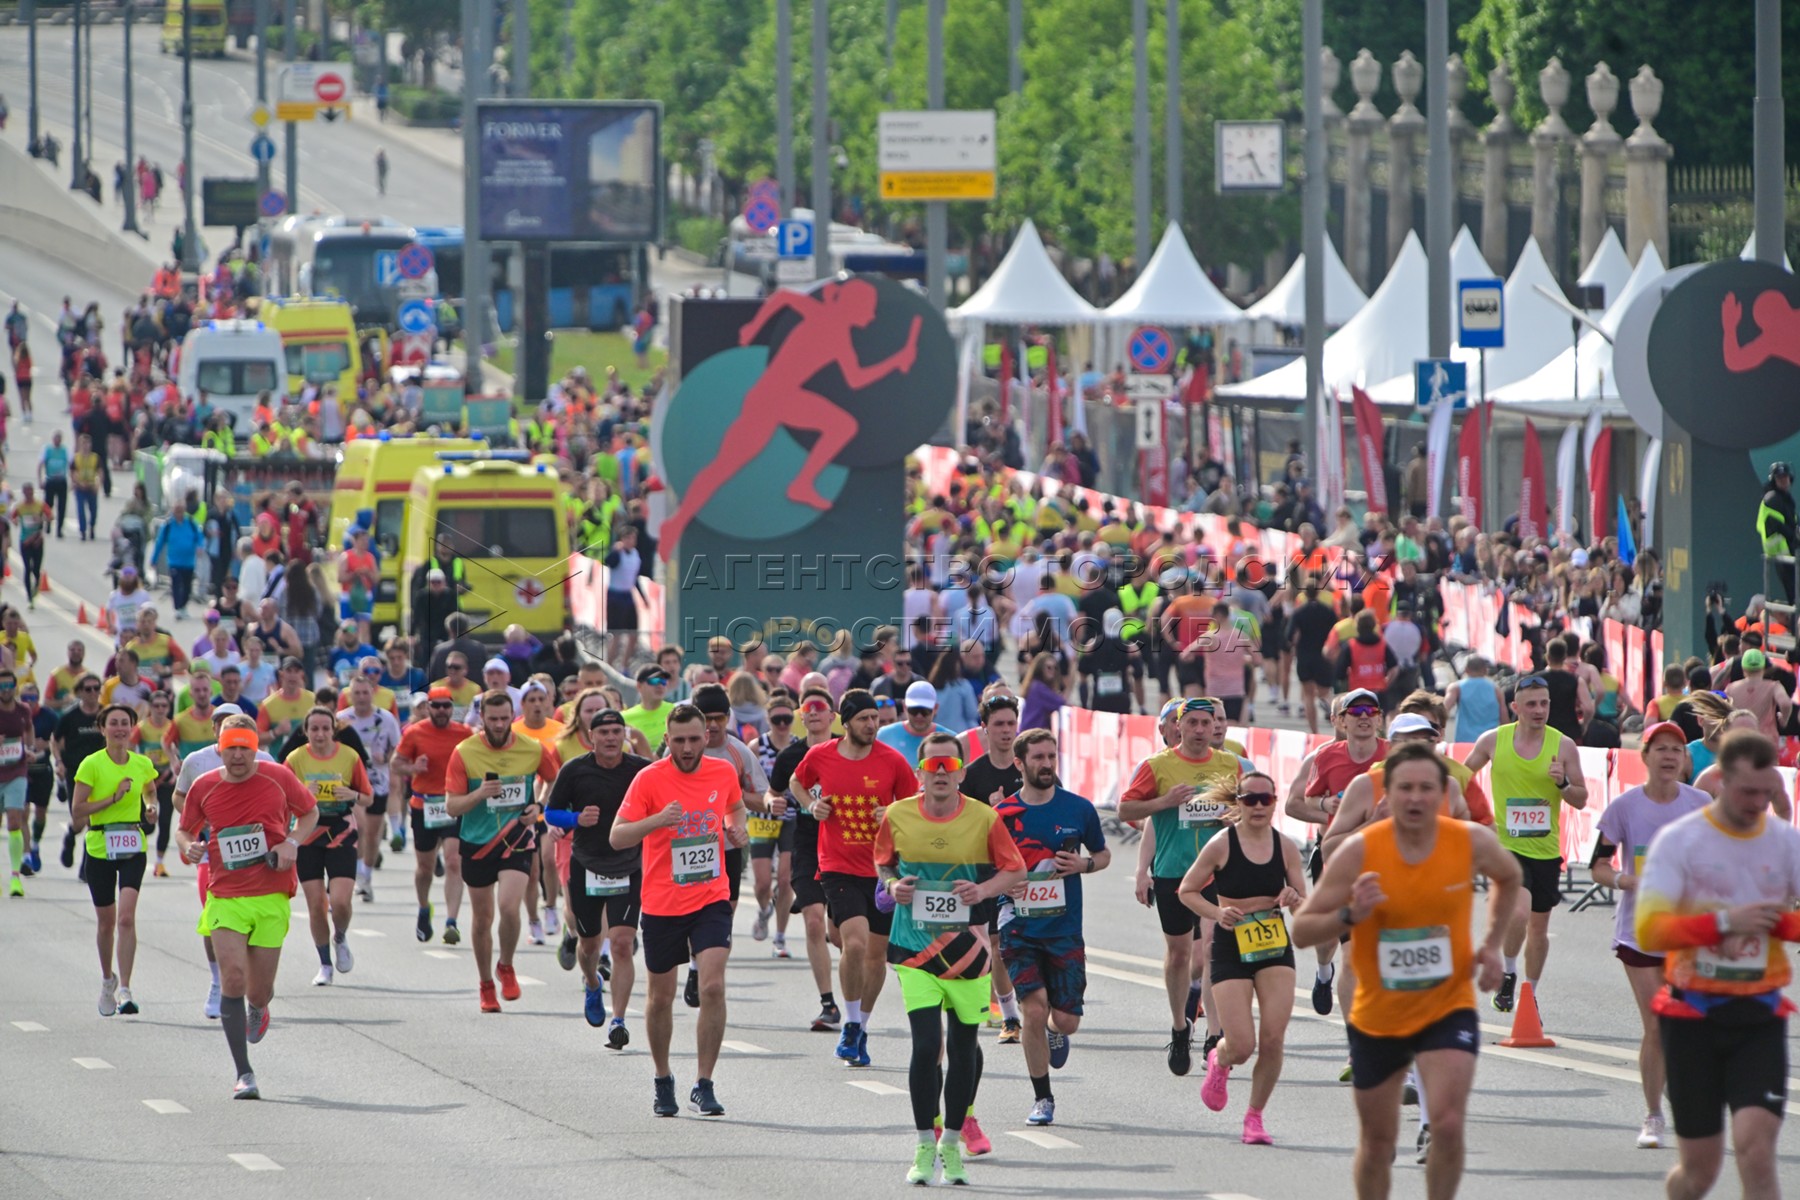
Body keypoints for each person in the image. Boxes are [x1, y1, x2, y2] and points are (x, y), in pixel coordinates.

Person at [1292, 742, 1524, 1200]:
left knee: (1449, 1125)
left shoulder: (1468, 840)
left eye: (1426, 788)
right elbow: (1301, 931)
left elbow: (1510, 875)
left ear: (1444, 793)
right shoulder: (1360, 850)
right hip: (1380, 1014)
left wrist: (1492, 945)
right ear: (1387, 794)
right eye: (1405, 789)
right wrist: (1350, 915)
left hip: (1447, 1006)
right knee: (1379, 1144)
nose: (1416, 798)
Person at [1636, 730, 1800, 1199]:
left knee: (1756, 1149)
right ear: (1721, 781)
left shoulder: (1785, 842)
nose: (1758, 804)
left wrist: (1777, 924)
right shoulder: (1681, 841)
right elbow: (1650, 930)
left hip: (1758, 1016)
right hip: (1693, 1019)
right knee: (1699, 1172)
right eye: (1748, 792)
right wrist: (1723, 923)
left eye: (1767, 793)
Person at [875, 731, 1026, 1185]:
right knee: (926, 1046)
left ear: (961, 772)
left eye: (949, 766)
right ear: (919, 773)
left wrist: (982, 890)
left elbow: (1015, 869)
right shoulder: (898, 815)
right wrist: (892, 885)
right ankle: (925, 1144)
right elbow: (884, 862)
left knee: (963, 1050)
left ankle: (952, 1144)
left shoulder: (984, 818)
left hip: (969, 952)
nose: (941, 773)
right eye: (932, 766)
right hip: (914, 948)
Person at [609, 704, 747, 1117]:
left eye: (694, 739)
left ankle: (704, 1083)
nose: (687, 748)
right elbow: (617, 836)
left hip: (711, 896)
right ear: (666, 740)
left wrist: (735, 825)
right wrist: (656, 820)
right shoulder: (649, 778)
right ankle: (663, 1078)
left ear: (707, 737)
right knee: (661, 997)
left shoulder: (722, 771)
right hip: (663, 902)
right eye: (679, 740)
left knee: (713, 987)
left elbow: (734, 806)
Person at [176, 715, 319, 1099]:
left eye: (244, 748)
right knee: (234, 978)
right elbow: (185, 828)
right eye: (231, 748)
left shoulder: (278, 777)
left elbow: (310, 813)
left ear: (255, 748)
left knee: (258, 991)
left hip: (271, 893)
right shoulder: (204, 785)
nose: (237, 755)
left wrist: (291, 842)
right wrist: (188, 846)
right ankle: (244, 1073)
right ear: (219, 748)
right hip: (225, 895)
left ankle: (258, 1008)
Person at [1589, 720, 1710, 1151]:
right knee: (1657, 1024)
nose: (1669, 756)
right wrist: (1627, 881)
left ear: (1685, 759)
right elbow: (1598, 866)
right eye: (1660, 748)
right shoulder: (1624, 807)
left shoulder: (1701, 804)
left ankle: (1680, 1090)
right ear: (1645, 756)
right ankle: (1654, 1115)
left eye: (1676, 749)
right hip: (1638, 933)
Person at [794, 689, 919, 1068]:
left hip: (883, 871)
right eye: (864, 718)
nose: (871, 725)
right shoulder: (821, 755)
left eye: (875, 718)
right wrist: (811, 805)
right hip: (837, 865)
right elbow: (798, 782)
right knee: (855, 942)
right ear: (845, 722)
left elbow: (914, 807)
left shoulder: (892, 761)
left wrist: (893, 813)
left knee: (876, 957)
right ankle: (849, 1023)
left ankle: (861, 1026)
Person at [1117, 696, 1242, 1075]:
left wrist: (1232, 817)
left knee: (1214, 949)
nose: (1201, 730)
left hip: (1218, 871)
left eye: (1207, 723)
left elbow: (1244, 812)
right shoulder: (1158, 766)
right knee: (1179, 955)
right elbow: (1125, 809)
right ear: (1179, 726)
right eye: (1193, 723)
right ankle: (1179, 1026)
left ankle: (1214, 1035)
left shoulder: (1229, 764)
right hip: (1174, 872)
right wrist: (1164, 802)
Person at [1180, 771, 1306, 1145]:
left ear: (1274, 802)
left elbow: (1303, 904)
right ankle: (1220, 1060)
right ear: (1239, 803)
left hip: (1273, 945)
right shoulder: (1222, 844)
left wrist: (1294, 899)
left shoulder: (1286, 847)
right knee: (1242, 1045)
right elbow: (1187, 890)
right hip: (1231, 945)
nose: (1258, 806)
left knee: (1273, 1038)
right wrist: (1217, 913)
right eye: (1250, 799)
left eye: (1265, 799)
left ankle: (1254, 1117)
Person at [995, 728, 1109, 1127]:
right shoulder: (1002, 815)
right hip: (1018, 926)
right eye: (1038, 757)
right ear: (1019, 763)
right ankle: (1043, 1097)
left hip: (1064, 928)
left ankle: (1054, 1029)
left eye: (1051, 757)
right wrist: (1006, 883)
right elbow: (985, 866)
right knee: (1033, 1007)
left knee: (1065, 1021)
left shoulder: (1078, 808)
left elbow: (1103, 853)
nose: (1046, 764)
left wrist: (1084, 865)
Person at [1463, 674, 1589, 1015]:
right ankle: (1508, 971)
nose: (1539, 710)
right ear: (1515, 707)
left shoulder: (1563, 745)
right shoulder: (1493, 740)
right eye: (1531, 704)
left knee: (1538, 929)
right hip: (1507, 846)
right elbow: (1461, 778)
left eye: (1544, 703)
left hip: (1546, 850)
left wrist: (1563, 784)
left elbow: (1581, 799)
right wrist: (1475, 819)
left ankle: (1529, 993)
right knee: (1518, 913)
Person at [444, 690, 559, 1011]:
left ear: (513, 716)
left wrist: (539, 805)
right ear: (481, 717)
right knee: (483, 919)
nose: (498, 725)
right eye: (492, 719)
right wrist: (479, 794)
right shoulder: (464, 752)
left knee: (509, 907)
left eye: (504, 719)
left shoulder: (531, 748)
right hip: (477, 843)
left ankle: (506, 965)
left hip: (516, 838)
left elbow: (554, 779)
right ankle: (485, 984)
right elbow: (452, 807)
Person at [545, 707, 649, 1050]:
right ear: (591, 737)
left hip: (628, 865)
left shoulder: (639, 770)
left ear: (624, 736)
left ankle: (618, 1020)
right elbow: (551, 812)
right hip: (587, 865)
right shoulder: (575, 770)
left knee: (621, 944)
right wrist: (576, 819)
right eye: (603, 733)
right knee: (589, 945)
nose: (610, 738)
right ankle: (592, 982)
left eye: (616, 732)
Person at [71, 704, 160, 1016]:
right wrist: (113, 799)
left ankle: (126, 989)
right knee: (107, 923)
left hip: (133, 845)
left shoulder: (142, 763)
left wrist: (151, 808)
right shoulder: (91, 764)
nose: (120, 728)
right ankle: (108, 980)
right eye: (114, 723)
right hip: (100, 847)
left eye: (125, 723)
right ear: (102, 729)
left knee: (125, 919)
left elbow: (150, 792)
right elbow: (78, 810)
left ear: (132, 728)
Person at [767, 687, 844, 1031]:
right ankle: (828, 1004)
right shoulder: (791, 756)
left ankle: (855, 987)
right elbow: (773, 792)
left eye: (819, 707)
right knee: (813, 921)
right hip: (807, 845)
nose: (813, 712)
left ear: (832, 716)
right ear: (801, 715)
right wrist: (772, 802)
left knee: (842, 936)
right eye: (807, 708)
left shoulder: (847, 748)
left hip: (845, 845)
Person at [285, 707, 372, 986]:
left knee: (341, 902)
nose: (320, 734)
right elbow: (280, 798)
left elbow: (368, 797)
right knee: (316, 904)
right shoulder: (295, 759)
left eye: (325, 728)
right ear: (306, 731)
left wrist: (352, 794)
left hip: (340, 832)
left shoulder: (349, 756)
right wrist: (301, 794)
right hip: (307, 834)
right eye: (314, 729)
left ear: (333, 730)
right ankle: (324, 964)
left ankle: (340, 937)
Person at [391, 687, 474, 945]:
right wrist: (413, 767)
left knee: (454, 861)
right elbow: (395, 763)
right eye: (436, 706)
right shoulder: (414, 732)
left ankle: (451, 921)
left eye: (446, 706)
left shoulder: (464, 733)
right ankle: (424, 907)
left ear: (452, 708)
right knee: (425, 868)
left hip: (453, 803)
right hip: (424, 804)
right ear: (428, 708)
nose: (441, 711)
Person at [337, 675, 401, 900]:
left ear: (372, 694)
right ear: (350, 695)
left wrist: (386, 758)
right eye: (357, 693)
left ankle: (366, 875)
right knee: (360, 827)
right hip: (351, 783)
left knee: (373, 835)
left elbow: (398, 748)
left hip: (377, 783)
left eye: (365, 693)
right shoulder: (342, 719)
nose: (361, 697)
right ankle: (357, 876)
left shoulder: (386, 719)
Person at [0, 668, 38, 896]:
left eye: (9, 686)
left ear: (15, 687)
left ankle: (15, 877)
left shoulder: (23, 710)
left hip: (17, 771)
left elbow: (29, 728)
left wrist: (30, 748)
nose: (5, 690)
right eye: (1, 686)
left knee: (15, 820)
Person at [1755, 461, 1797, 603]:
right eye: (1779, 478)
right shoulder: (1773, 499)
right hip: (1781, 553)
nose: (1783, 480)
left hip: (1788, 552)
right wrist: (1796, 536)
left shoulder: (1785, 498)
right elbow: (1781, 526)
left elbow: (1793, 521)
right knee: (1793, 594)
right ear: (1774, 480)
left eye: (1785, 477)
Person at [1444, 656, 1503, 744]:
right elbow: (1504, 717)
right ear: (1485, 670)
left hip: (1465, 741)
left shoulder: (1456, 688)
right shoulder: (1496, 689)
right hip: (1491, 740)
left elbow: (1444, 710)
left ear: (1466, 670)